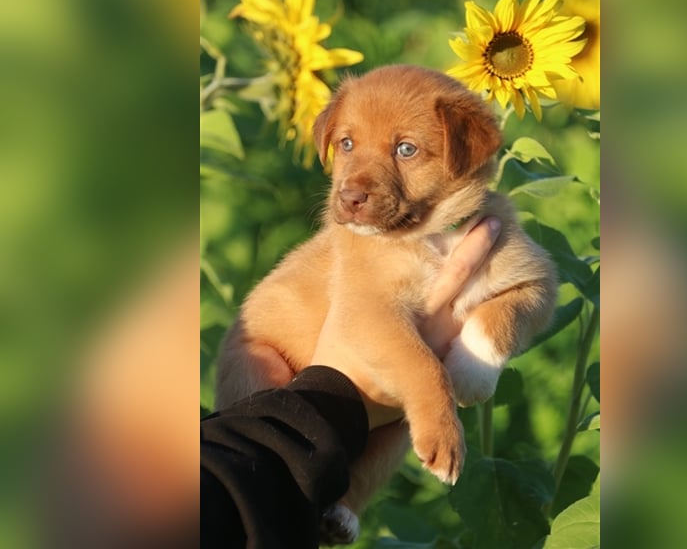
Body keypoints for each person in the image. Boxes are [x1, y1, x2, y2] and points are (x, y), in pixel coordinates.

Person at [200, 217, 502, 548]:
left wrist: (483, 347)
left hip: (259, 470)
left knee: (403, 420)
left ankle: (344, 503)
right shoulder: (366, 236)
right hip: (278, 362)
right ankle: (306, 495)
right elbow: (368, 318)